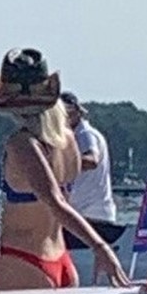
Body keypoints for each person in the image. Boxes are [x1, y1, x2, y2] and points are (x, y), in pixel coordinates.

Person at [0, 49, 131, 291]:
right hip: (60, 257)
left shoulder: (22, 144)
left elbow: (54, 201)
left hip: (23, 260)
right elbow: (61, 199)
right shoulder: (67, 140)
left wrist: (100, 248)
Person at [60, 91, 116, 223]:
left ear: (78, 112)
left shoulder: (84, 133)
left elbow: (92, 160)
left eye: (68, 112)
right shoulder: (75, 135)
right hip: (89, 213)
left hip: (89, 214)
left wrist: (59, 164)